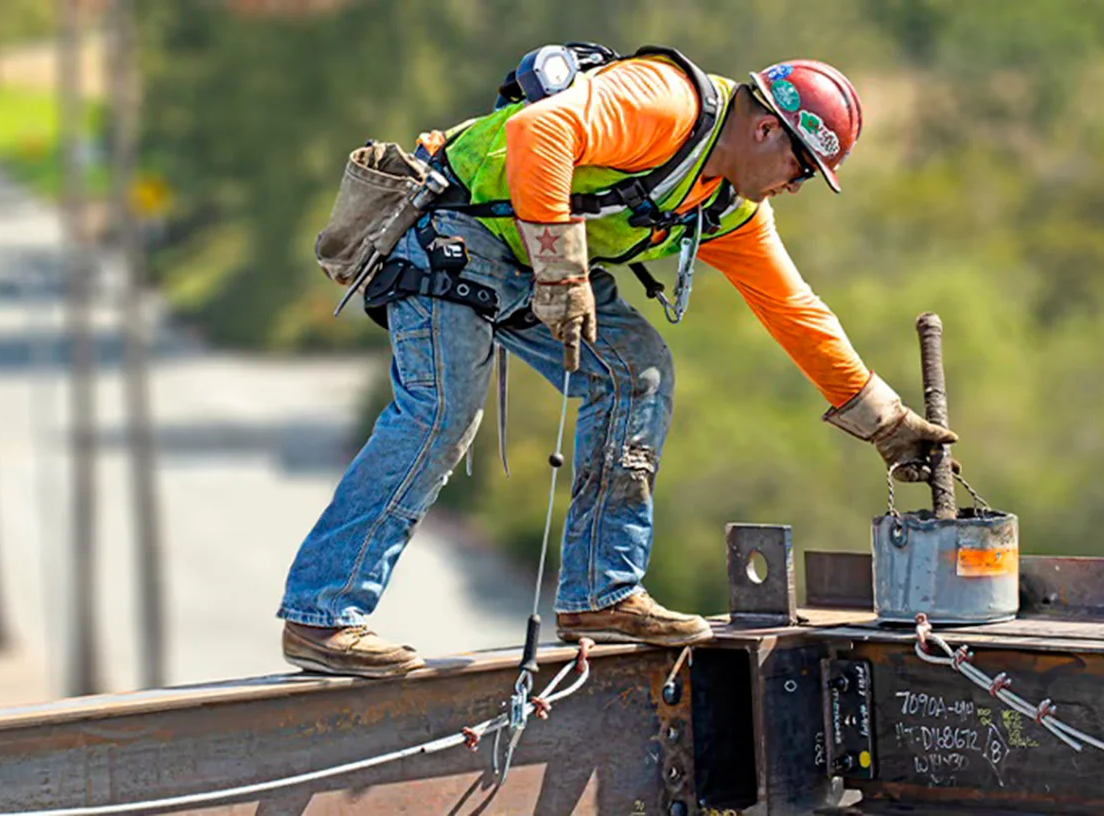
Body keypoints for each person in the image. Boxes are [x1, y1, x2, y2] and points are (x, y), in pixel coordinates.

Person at [279, 47, 958, 678]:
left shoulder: (726, 207)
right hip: (454, 231)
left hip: (530, 260)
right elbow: (538, 134)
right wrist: (562, 277)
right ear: (766, 132)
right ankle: (322, 615)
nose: (798, 185)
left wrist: (885, 421)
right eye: (802, 166)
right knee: (441, 415)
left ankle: (602, 593)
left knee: (636, 373)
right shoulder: (664, 103)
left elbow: (795, 311)